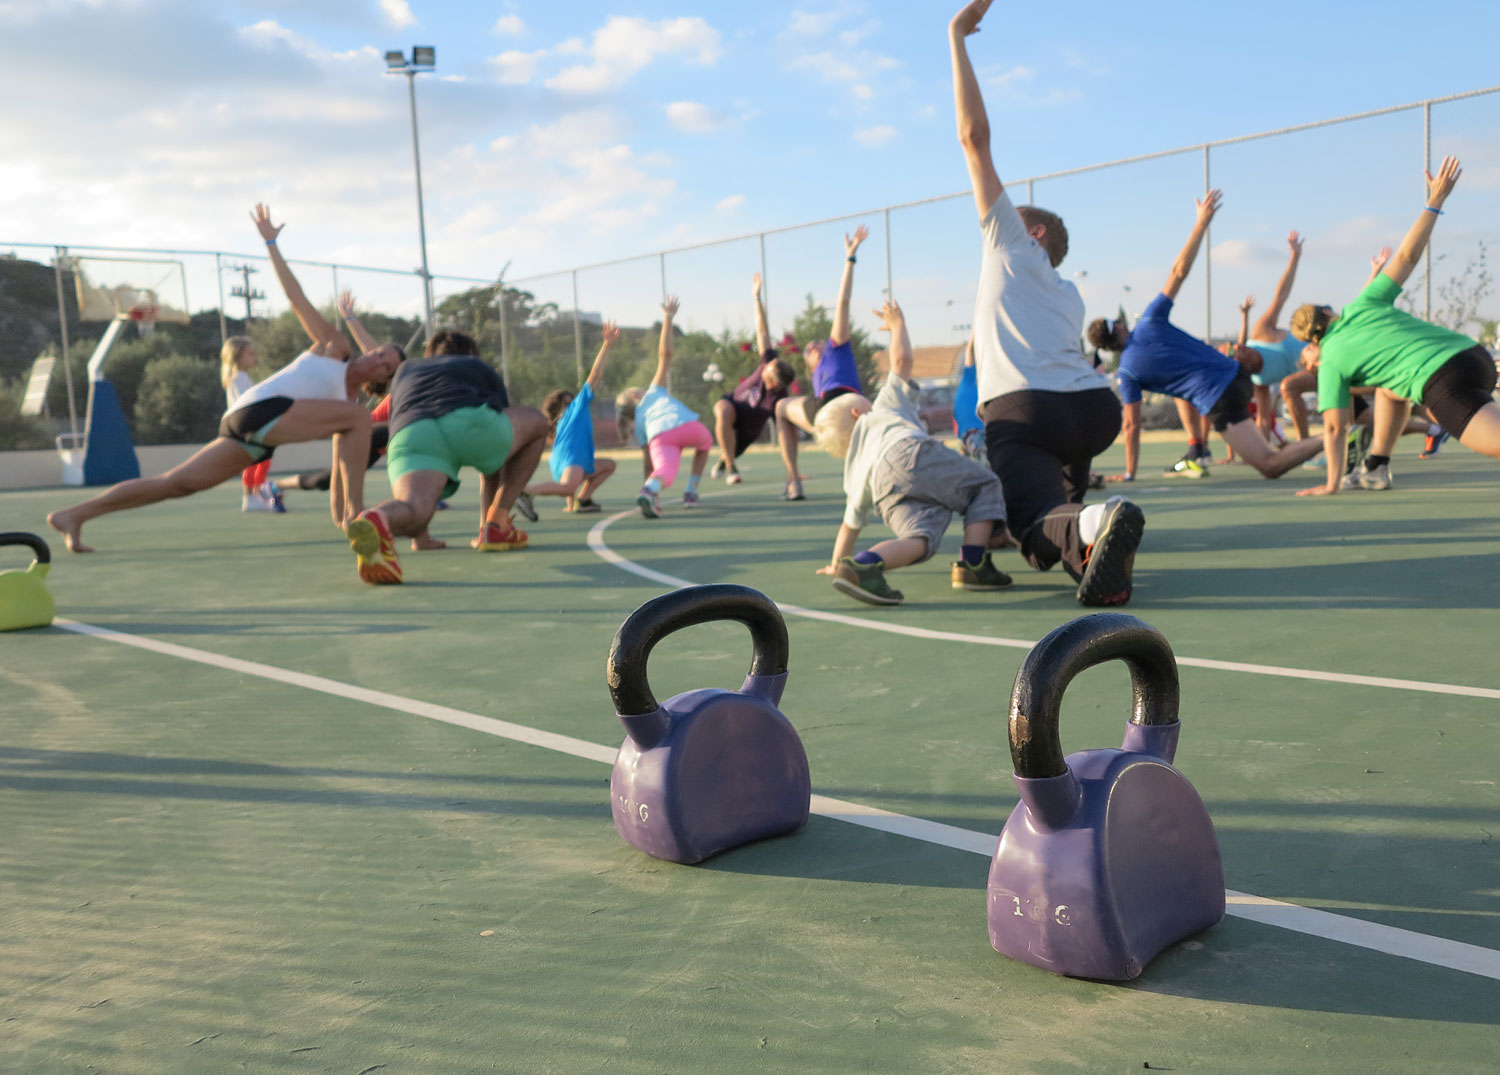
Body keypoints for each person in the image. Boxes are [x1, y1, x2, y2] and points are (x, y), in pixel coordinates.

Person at [47, 205, 392, 553]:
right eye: (378, 352)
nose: (377, 358)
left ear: (379, 381)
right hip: (259, 411)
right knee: (361, 420)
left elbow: (342, 467)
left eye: (385, 365)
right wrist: (271, 243)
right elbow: (295, 297)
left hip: (254, 436)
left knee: (178, 483)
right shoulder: (335, 347)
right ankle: (359, 515)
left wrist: (338, 514)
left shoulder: (348, 411)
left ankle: (75, 514)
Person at [950, 0, 1141, 607]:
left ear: (1030, 235)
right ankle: (1089, 543)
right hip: (1091, 412)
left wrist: (957, 38)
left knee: (1032, 527)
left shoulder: (1011, 246)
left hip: (1026, 411)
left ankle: (1094, 522)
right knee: (1056, 524)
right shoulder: (1067, 289)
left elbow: (973, 140)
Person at [1088, 190, 1325, 482]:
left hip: (1219, 399)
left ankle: (1334, 437)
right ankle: (1339, 435)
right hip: (1238, 378)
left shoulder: (1127, 371)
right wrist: (1201, 223)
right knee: (1270, 458)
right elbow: (1178, 272)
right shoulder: (1149, 322)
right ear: (1119, 329)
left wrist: (1129, 473)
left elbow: (1132, 426)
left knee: (1270, 465)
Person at [1296, 157, 1498, 496]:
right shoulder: (1362, 304)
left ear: (1312, 342)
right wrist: (1434, 202)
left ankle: (1370, 468)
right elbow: (1405, 257)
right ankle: (1376, 465)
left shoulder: (1329, 360)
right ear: (1329, 314)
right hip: (1473, 357)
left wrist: (1330, 485)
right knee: (1390, 391)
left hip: (1443, 381)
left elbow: (1334, 429)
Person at [815, 299, 1012, 606]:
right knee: (984, 484)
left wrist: (837, 560)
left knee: (920, 540)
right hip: (907, 453)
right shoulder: (880, 409)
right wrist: (897, 326)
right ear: (856, 414)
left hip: (884, 491)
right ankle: (973, 564)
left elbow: (849, 525)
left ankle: (864, 563)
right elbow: (901, 362)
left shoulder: (853, 473)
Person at [345, 329, 548, 584]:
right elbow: (500, 424)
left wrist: (422, 537)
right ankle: (496, 524)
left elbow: (397, 415)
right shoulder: (475, 364)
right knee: (536, 425)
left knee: (413, 506)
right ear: (471, 352)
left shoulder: (407, 370)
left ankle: (378, 517)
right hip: (468, 425)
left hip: (412, 433)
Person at [774, 228, 870, 501]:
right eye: (808, 348)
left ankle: (794, 481)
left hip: (845, 404)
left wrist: (849, 258)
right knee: (781, 408)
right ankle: (793, 481)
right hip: (827, 413)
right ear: (808, 363)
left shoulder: (837, 349)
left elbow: (843, 303)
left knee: (781, 407)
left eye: (817, 343)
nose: (814, 346)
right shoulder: (816, 378)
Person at [616, 296, 715, 519]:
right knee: (706, 440)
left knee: (664, 473)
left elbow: (647, 463)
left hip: (659, 437)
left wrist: (650, 485)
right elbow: (665, 355)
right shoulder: (653, 392)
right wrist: (668, 318)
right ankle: (691, 492)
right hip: (684, 426)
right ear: (635, 395)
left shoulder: (640, 423)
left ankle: (649, 491)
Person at [516, 322, 622, 517]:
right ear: (566, 402)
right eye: (569, 397)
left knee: (608, 465)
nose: (574, 397)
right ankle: (522, 491)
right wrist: (607, 344)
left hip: (568, 460)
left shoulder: (563, 420)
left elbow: (570, 456)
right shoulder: (575, 408)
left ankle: (583, 500)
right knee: (567, 487)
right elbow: (595, 376)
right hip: (571, 459)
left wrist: (571, 502)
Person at [710, 273, 797, 484]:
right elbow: (762, 331)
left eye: (772, 368)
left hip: (748, 431)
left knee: (730, 449)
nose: (769, 365)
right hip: (733, 405)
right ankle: (731, 468)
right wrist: (756, 298)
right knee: (723, 410)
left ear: (774, 383)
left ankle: (725, 460)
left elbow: (787, 435)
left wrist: (792, 471)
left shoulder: (777, 401)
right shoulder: (768, 359)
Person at [220, 335, 284, 512]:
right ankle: (250, 497)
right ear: (237, 357)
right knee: (252, 460)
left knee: (261, 460)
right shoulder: (238, 378)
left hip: (248, 425)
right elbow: (246, 402)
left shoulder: (241, 377)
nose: (254, 357)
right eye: (250, 354)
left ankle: (256, 495)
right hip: (247, 427)